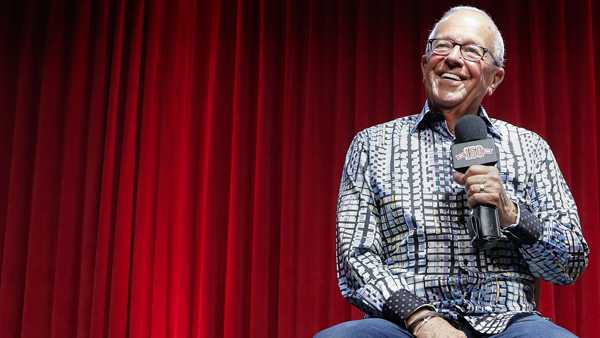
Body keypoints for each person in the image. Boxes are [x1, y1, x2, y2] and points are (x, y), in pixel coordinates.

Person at [315, 6, 589, 338]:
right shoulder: (372, 145)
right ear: (424, 63)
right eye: (442, 46)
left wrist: (512, 214)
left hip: (508, 322)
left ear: (495, 78)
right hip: (404, 323)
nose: (453, 58)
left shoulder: (531, 148)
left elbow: (570, 262)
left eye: (472, 50)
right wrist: (422, 320)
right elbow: (356, 259)